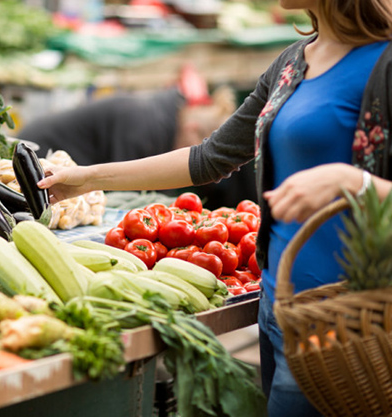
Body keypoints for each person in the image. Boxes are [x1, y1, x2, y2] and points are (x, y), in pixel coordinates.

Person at [36, 1, 392, 416]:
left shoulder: (383, 64)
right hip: (280, 309)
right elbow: (209, 157)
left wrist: (355, 182)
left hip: (353, 322)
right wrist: (88, 178)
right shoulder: (293, 63)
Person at [18, 66, 258, 209]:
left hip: (75, 164)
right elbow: (125, 189)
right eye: (201, 147)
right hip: (37, 153)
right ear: (193, 128)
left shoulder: (162, 115)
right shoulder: (144, 126)